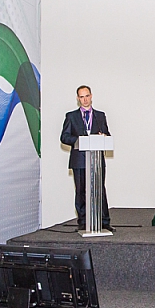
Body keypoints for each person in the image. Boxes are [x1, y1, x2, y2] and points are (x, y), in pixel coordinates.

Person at [60, 85, 114, 232]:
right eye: (82, 97)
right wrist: (80, 140)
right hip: (79, 160)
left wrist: (104, 137)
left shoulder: (100, 115)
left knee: (100, 190)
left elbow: (107, 135)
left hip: (96, 160)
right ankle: (83, 222)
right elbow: (64, 137)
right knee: (81, 191)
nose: (85, 99)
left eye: (87, 96)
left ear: (91, 96)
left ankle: (104, 222)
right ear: (78, 98)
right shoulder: (71, 116)